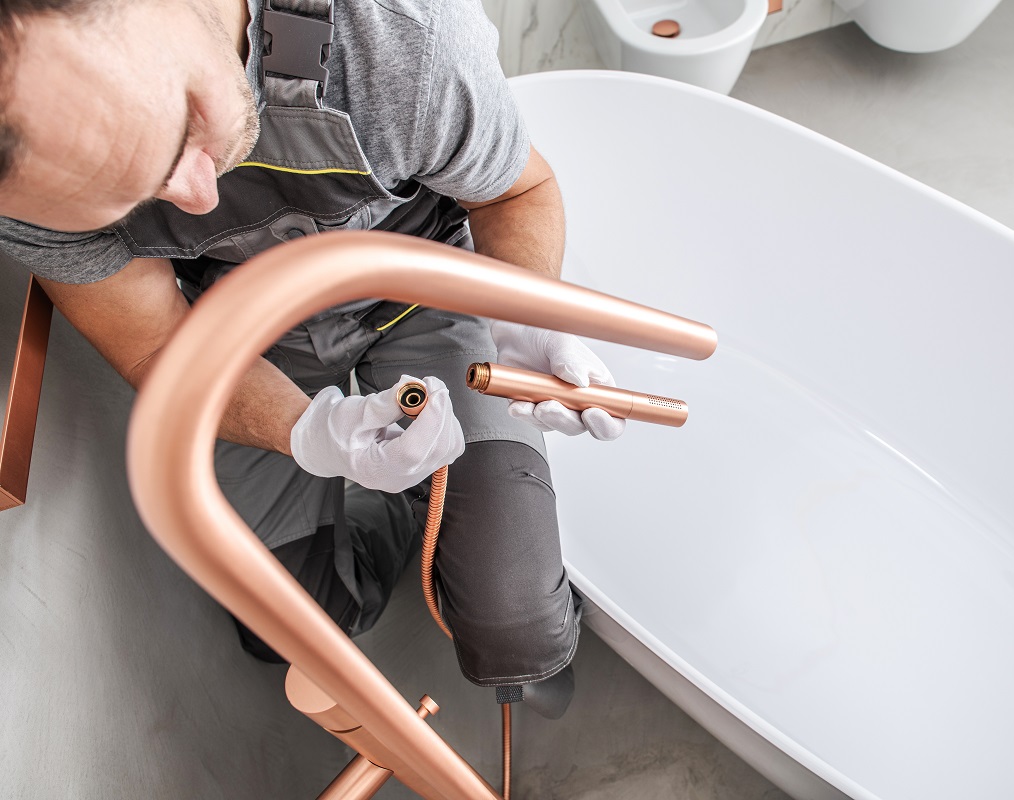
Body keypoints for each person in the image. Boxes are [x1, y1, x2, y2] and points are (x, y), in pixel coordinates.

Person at [0, 0, 622, 718]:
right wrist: (311, 431)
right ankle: (416, 508)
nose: (200, 196)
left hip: (423, 284)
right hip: (251, 328)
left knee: (517, 624)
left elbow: (521, 191)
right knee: (290, 623)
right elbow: (158, 344)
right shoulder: (28, 191)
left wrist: (525, 312)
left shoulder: (400, 41)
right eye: (132, 199)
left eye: (184, 132)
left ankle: (495, 574)